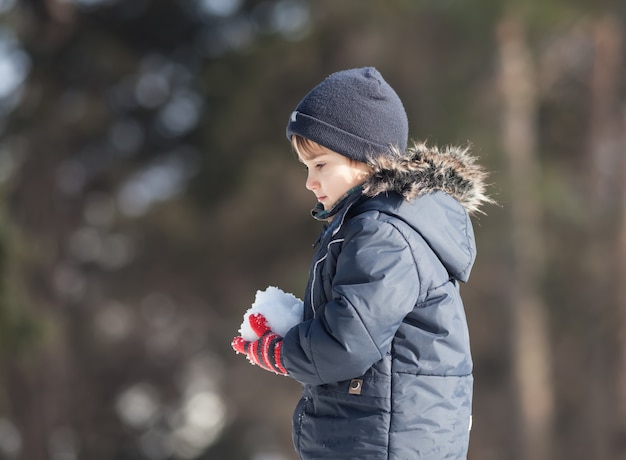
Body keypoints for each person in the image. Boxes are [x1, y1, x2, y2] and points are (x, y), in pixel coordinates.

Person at [232, 67, 492, 459]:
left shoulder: (385, 234)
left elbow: (349, 341)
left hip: (385, 440)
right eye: (306, 168)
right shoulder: (371, 226)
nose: (310, 182)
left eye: (320, 165)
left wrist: (283, 351)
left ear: (366, 161)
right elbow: (360, 318)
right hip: (376, 433)